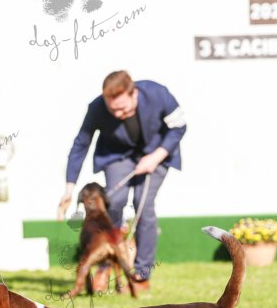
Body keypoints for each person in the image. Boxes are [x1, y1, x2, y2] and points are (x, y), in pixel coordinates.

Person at [57, 70, 186, 294]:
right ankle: (107, 262)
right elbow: (80, 145)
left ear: (134, 93)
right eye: (112, 109)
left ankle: (141, 274)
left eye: (123, 108)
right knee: (113, 202)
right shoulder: (97, 107)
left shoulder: (157, 94)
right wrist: (69, 189)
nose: (118, 114)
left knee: (143, 204)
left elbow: (179, 127)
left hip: (157, 152)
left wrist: (156, 156)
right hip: (117, 155)